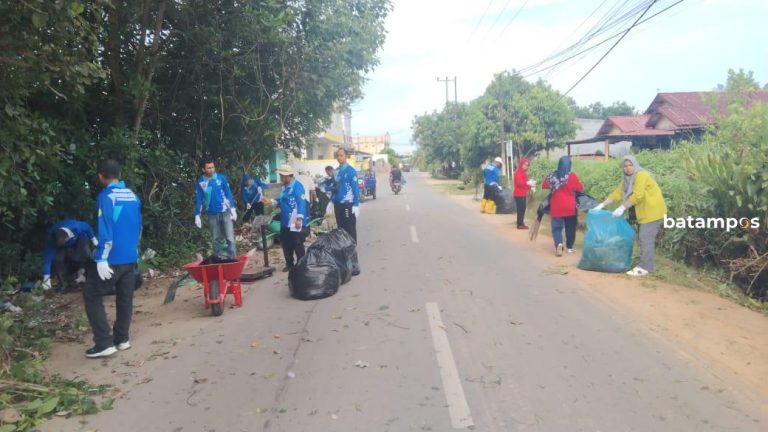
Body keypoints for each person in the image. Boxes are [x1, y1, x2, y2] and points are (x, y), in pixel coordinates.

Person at [84, 159, 142, 358]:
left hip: (113, 258)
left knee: (91, 294)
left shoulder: (107, 196)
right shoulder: (133, 196)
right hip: (130, 257)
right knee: (125, 297)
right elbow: (138, 227)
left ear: (101, 176)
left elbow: (106, 228)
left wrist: (101, 258)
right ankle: (122, 339)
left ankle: (103, 343)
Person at [594, 155, 667, 276]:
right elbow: (616, 194)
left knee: (645, 238)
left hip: (653, 211)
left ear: (635, 165)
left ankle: (645, 267)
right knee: (644, 238)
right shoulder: (627, 180)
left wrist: (623, 207)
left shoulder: (641, 175)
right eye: (625, 166)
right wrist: (601, 205)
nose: (628, 168)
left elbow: (638, 195)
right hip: (644, 213)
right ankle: (646, 263)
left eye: (630, 165)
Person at [266, 165, 308, 272]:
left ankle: (301, 264)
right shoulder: (284, 187)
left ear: (289, 176)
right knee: (286, 243)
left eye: (283, 177)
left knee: (297, 243)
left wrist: (299, 219)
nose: (282, 179)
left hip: (295, 220)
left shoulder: (298, 187)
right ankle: (289, 264)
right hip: (285, 221)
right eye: (281, 176)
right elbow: (281, 200)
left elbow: (301, 203)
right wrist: (271, 201)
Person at [194, 158, 237, 259]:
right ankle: (219, 259)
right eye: (208, 168)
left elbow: (228, 194)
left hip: (225, 211)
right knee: (215, 238)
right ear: (203, 169)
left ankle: (233, 259)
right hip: (211, 213)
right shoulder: (201, 181)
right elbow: (199, 199)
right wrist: (197, 215)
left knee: (230, 237)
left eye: (212, 167)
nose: (211, 170)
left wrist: (232, 209)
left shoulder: (221, 178)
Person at [41, 219, 97, 292]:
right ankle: (64, 285)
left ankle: (89, 280)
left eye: (61, 244)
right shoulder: (51, 240)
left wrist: (94, 240)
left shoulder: (77, 227)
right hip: (62, 243)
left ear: (66, 239)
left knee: (82, 257)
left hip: (80, 238)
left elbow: (87, 227)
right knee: (57, 260)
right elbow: (47, 260)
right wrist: (46, 279)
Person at [542, 156, 583, 257]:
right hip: (570, 207)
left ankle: (559, 244)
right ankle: (569, 248)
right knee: (570, 227)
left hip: (556, 206)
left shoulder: (552, 175)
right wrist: (580, 183)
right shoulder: (572, 176)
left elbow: (544, 185)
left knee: (556, 227)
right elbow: (580, 189)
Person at [332, 148, 360, 242]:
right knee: (341, 228)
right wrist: (331, 202)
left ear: (346, 156)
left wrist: (356, 204)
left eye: (341, 155)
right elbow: (334, 188)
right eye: (337, 155)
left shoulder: (351, 171)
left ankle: (352, 250)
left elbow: (355, 188)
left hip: (348, 204)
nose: (339, 157)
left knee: (350, 228)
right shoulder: (336, 171)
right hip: (338, 205)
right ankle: (344, 249)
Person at [513, 158, 537, 229]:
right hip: (518, 194)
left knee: (522, 209)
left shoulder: (524, 173)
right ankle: (520, 224)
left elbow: (526, 183)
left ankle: (520, 223)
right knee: (521, 209)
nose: (525, 166)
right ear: (521, 164)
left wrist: (531, 185)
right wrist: (528, 184)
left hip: (523, 193)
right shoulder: (518, 173)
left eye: (527, 165)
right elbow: (520, 183)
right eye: (524, 165)